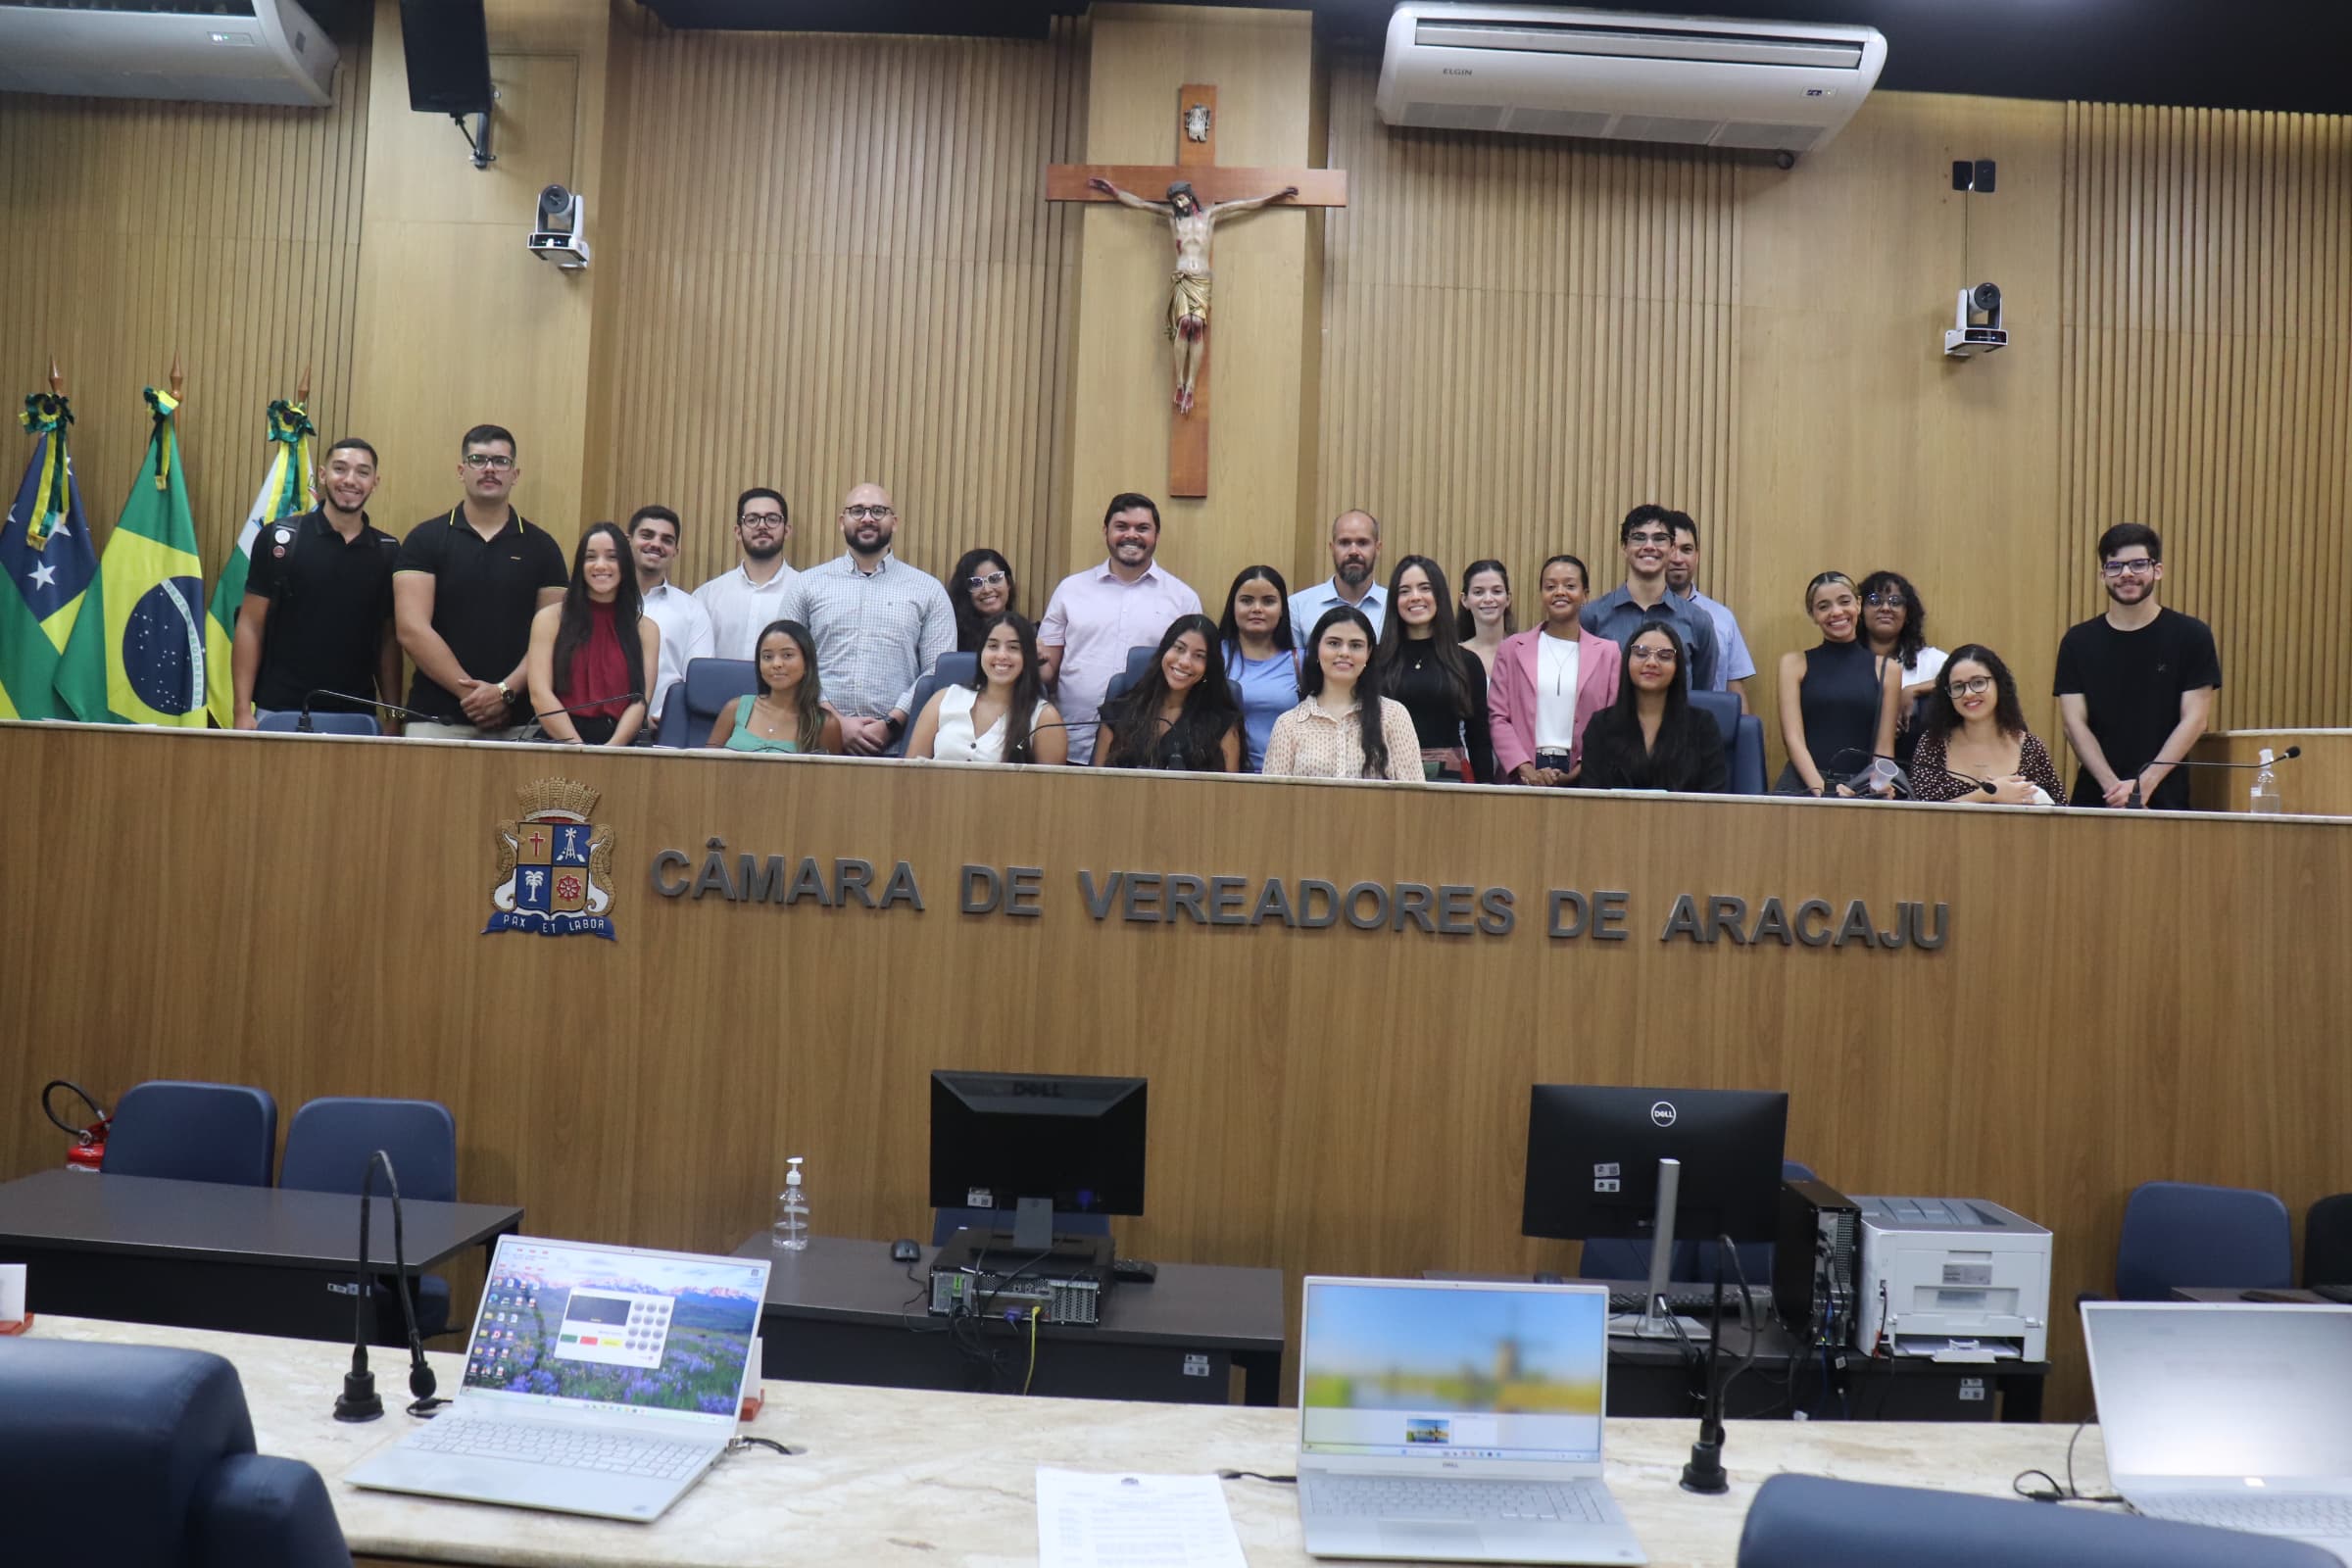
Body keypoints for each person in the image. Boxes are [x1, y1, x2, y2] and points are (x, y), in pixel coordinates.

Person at [393, 423, 568, 739]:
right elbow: (411, 629)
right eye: (478, 460)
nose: (490, 469)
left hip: (523, 722)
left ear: (515, 474)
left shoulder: (543, 548)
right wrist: (472, 695)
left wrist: (504, 692)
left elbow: (555, 635)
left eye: (500, 461)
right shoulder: (424, 540)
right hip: (436, 719)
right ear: (462, 470)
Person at [231, 436, 403, 732]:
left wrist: (393, 716)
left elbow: (389, 640)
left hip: (358, 715)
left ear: (375, 481)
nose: (350, 480)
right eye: (340, 469)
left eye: (363, 472)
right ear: (323, 475)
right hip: (279, 710)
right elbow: (250, 625)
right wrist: (241, 710)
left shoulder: (388, 551)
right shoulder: (279, 540)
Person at [777, 482, 955, 756]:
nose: (868, 518)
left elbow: (937, 669)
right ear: (842, 521)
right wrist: (835, 722)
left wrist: (892, 722)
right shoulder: (807, 584)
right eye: (857, 511)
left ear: (894, 522)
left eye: (878, 511)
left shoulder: (928, 589)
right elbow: (786, 658)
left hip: (899, 745)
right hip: (815, 741)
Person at [2054, 522, 2220, 809]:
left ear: (2158, 570)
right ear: (2103, 575)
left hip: (2166, 796)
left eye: (2138, 564)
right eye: (2115, 566)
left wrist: (2145, 784)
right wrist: (2114, 789)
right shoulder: (2077, 641)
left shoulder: (2192, 636)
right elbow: (2073, 724)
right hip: (2098, 797)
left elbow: (2195, 719)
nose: (2127, 574)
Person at [1037, 492, 1201, 765]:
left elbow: (1195, 676)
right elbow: (1047, 672)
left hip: (1146, 750)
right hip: (1069, 741)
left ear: (1157, 535)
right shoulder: (1070, 590)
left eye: (1142, 528)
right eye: (1122, 526)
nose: (1131, 535)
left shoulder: (1183, 599)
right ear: (1106, 531)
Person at [1488, 555, 1621, 787]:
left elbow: (1614, 719)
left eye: (1570, 586)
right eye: (1550, 586)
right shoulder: (1511, 649)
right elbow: (1498, 717)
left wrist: (1580, 769)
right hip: (1521, 780)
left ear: (1585, 595)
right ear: (1541, 594)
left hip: (1587, 779)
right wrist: (1526, 768)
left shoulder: (1608, 653)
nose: (1560, 592)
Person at [524, 522, 659, 746]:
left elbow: (640, 701)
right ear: (580, 565)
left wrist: (610, 751)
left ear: (625, 564)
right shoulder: (549, 619)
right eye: (591, 557)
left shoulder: (646, 629)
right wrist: (578, 749)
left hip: (621, 745)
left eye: (612, 557)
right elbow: (540, 694)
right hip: (561, 738)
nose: (600, 565)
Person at [1776, 571, 1903, 796]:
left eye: (1844, 601)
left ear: (1858, 603)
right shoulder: (1794, 664)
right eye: (1823, 606)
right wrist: (1823, 791)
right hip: (1805, 784)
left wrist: (1878, 786)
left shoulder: (1888, 669)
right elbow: (1793, 739)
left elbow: (1883, 748)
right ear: (1813, 614)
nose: (1836, 612)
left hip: (1862, 788)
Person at [1263, 607, 1420, 782]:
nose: (1344, 652)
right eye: (1334, 643)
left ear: (1368, 653)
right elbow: (1273, 802)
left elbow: (1415, 797)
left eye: (1355, 645)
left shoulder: (1394, 716)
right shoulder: (1288, 725)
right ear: (1317, 649)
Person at [1375, 556, 1494, 783]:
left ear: (1438, 594)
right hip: (1388, 775)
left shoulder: (1466, 661)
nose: (1415, 597)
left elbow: (1479, 739)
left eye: (1425, 588)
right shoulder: (1377, 660)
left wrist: (1486, 794)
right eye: (1404, 591)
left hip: (1450, 780)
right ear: (1394, 600)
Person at [1577, 620, 1728, 794]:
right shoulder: (1601, 725)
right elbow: (1590, 797)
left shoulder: (1703, 726)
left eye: (1664, 655)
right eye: (1641, 653)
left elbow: (1714, 799)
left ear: (1678, 667)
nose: (1651, 662)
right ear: (1627, 661)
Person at [1583, 503, 1720, 692]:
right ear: (1624, 547)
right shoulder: (1591, 618)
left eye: (1659, 539)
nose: (1649, 546)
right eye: (1639, 538)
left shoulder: (1698, 621)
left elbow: (1701, 694)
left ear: (1672, 548)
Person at [1910, 644, 2065, 805]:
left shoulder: (2031, 748)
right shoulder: (1933, 744)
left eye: (1978, 682)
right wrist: (1987, 795)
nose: (1968, 693)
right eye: (1958, 686)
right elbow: (1920, 815)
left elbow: (2061, 816)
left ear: (1998, 684)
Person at [906, 611, 1062, 764]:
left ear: (1027, 656)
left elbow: (1050, 788)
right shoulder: (943, 699)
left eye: (1013, 648)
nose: (1001, 655)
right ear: (981, 652)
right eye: (993, 646)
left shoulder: (1044, 717)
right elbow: (909, 774)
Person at [1094, 614, 1242, 772]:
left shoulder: (1222, 722)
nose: (1185, 662)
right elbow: (1096, 784)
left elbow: (1229, 793)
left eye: (1199, 656)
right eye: (1179, 648)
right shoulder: (1118, 712)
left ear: (1209, 667)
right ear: (1164, 650)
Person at [627, 504, 713, 731]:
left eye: (667, 540)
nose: (656, 544)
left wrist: (659, 718)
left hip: (662, 730)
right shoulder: (602, 601)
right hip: (597, 725)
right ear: (628, 541)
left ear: (676, 550)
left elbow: (697, 681)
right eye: (647, 535)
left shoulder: (692, 610)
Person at [706, 619, 840, 755]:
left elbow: (830, 775)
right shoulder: (735, 708)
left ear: (807, 663)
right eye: (767, 657)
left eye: (787, 655)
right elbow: (704, 766)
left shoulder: (825, 724)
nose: (776, 664)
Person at [692, 488, 797, 662]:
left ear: (786, 530)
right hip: (722, 688)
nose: (762, 526)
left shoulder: (805, 591)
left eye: (772, 519)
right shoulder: (707, 596)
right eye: (752, 519)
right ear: (738, 532)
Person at [1663, 513, 1754, 709]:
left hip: (1710, 733)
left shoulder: (1722, 618)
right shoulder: (1636, 612)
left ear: (1697, 555)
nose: (1678, 559)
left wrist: (1743, 735)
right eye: (1671, 549)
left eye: (1686, 549)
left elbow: (1734, 687)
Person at [1857, 568, 1945, 764]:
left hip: (1918, 769)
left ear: (1908, 614)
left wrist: (1913, 690)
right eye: (1875, 600)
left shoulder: (1930, 659)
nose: (1886, 608)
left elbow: (1966, 680)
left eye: (1896, 602)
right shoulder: (1849, 661)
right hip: (1853, 764)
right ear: (1860, 610)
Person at [1217, 564, 1299, 773]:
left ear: (1282, 609)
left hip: (1285, 778)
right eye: (1246, 600)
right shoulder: (1212, 656)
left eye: (1268, 601)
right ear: (1232, 607)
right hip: (1223, 777)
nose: (1257, 609)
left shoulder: (1301, 661)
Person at [1290, 510, 1386, 635]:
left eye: (1362, 543)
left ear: (1377, 548)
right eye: (1344, 543)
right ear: (1332, 548)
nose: (1353, 551)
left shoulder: (1394, 607)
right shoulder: (1298, 607)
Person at [948, 548, 1017, 654]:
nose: (987, 590)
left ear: (1008, 583)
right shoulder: (953, 636)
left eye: (995, 579)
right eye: (976, 583)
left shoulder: (1025, 632)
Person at [1456, 558, 1514, 679]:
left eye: (1497, 591)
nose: (1488, 599)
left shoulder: (1524, 652)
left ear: (1508, 598)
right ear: (1464, 600)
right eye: (1478, 592)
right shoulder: (1453, 656)